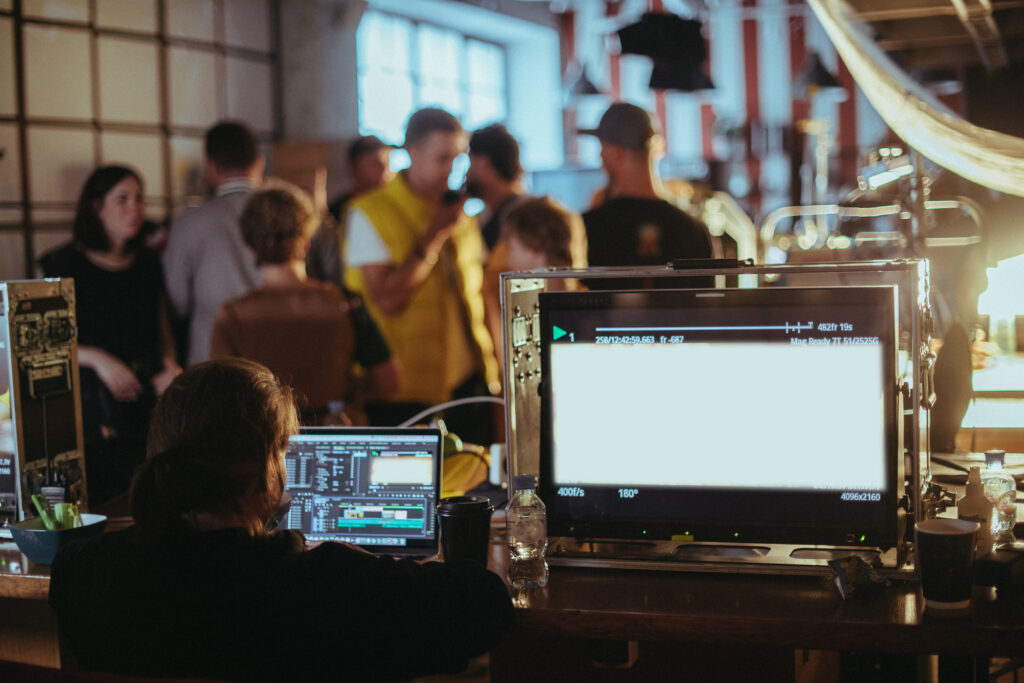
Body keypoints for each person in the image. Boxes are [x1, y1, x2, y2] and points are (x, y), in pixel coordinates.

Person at [49, 359, 513, 681]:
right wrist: (355, 564)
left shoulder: (80, 573)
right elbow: (487, 608)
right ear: (270, 471)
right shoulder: (329, 586)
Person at [343, 108, 499, 442]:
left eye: (458, 159)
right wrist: (433, 236)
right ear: (412, 154)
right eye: (443, 158)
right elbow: (386, 299)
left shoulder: (458, 211)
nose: (453, 171)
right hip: (404, 393)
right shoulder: (369, 213)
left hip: (470, 383)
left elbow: (481, 294)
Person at [39, 165, 181, 502]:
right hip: (88, 408)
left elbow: (162, 330)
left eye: (138, 199)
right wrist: (97, 359)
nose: (135, 208)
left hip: (146, 401)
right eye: (122, 199)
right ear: (96, 207)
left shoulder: (148, 263)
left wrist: (171, 366)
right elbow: (41, 344)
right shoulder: (62, 265)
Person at [210, 183, 399, 424]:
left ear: (250, 247)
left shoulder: (232, 316)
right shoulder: (345, 303)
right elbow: (389, 381)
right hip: (336, 438)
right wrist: (345, 391)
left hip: (265, 444)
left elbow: (219, 398)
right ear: (306, 242)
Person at [163, 120, 264, 367]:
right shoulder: (291, 213)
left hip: (213, 361)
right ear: (259, 162)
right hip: (280, 354)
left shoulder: (188, 223)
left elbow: (177, 302)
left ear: (211, 167)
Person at [580, 102, 713, 289]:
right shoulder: (693, 229)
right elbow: (707, 309)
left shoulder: (588, 228)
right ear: (656, 148)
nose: (600, 157)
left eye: (602, 148)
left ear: (615, 152)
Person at [307, 136, 395, 287]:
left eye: (387, 164)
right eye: (375, 164)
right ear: (353, 168)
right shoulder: (338, 210)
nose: (384, 171)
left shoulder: (394, 209)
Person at [466, 123, 525, 253]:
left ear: (483, 163)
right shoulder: (485, 217)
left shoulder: (526, 221)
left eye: (470, 163)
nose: (466, 174)